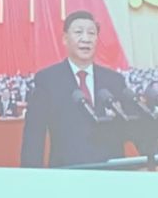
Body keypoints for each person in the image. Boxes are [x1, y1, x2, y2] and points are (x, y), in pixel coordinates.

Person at [17, 11, 130, 167]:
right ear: (65, 39)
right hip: (68, 173)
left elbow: (135, 126)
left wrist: (157, 159)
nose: (86, 39)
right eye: (78, 32)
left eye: (91, 33)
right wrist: (31, 175)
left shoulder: (114, 81)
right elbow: (34, 135)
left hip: (111, 172)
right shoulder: (48, 80)